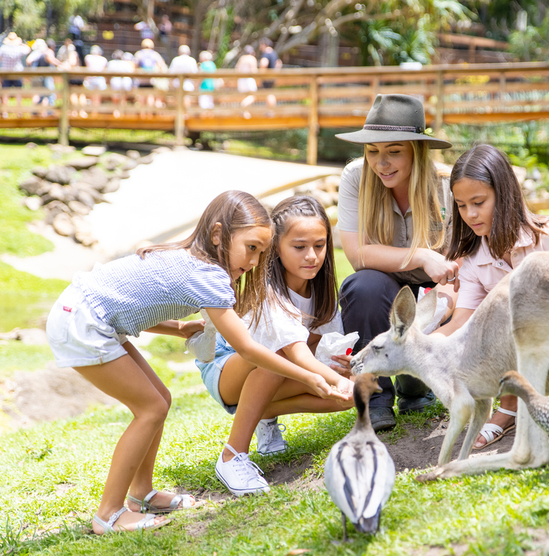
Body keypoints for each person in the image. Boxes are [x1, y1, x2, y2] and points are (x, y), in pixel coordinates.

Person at [45, 191, 348, 534]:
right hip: (82, 321)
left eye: (262, 252)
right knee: (150, 409)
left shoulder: (190, 256)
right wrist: (309, 377)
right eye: (251, 248)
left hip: (86, 311)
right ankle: (108, 515)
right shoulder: (211, 277)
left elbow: (131, 303)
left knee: (160, 401)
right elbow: (247, 349)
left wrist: (179, 328)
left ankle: (141, 494)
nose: (254, 261)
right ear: (218, 235)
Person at [193, 196, 355, 496]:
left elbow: (326, 350)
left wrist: (345, 373)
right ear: (276, 248)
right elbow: (294, 351)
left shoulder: (321, 293)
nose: (311, 256)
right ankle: (233, 455)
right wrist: (337, 380)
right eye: (299, 247)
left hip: (274, 373)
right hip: (227, 367)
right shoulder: (267, 290)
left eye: (319, 246)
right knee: (277, 355)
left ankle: (261, 412)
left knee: (346, 396)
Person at [436, 144, 549, 450]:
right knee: (494, 319)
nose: (471, 214)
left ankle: (516, 406)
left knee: (517, 304)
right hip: (530, 351)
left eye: (479, 202)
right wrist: (417, 343)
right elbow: (464, 320)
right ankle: (517, 403)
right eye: (462, 206)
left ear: (503, 195)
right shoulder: (475, 259)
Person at [335, 93, 457, 431]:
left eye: (393, 152)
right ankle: (376, 397)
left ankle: (416, 383)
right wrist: (420, 255)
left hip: (435, 291)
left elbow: (459, 267)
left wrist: (448, 302)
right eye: (373, 152)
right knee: (363, 286)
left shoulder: (447, 186)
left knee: (436, 305)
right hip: (385, 288)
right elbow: (357, 254)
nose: (381, 163)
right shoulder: (355, 178)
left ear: (416, 151)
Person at [0, 32, 30, 115]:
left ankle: (5, 112)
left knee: (5, 93)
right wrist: (21, 44)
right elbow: (28, 50)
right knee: (18, 93)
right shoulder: (18, 48)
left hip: (6, 73)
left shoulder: (3, 48)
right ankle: (19, 111)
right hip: (17, 73)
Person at [134, 38, 167, 114]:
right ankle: (149, 116)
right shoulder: (154, 54)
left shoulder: (139, 54)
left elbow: (134, 66)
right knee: (150, 98)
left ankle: (142, 117)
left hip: (141, 81)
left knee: (141, 99)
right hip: (151, 80)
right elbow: (162, 66)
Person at [27, 39, 61, 111]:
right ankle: (49, 112)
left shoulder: (40, 53)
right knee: (49, 94)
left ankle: (36, 112)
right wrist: (60, 64)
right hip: (44, 77)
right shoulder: (42, 52)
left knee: (41, 95)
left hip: (38, 77)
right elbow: (29, 60)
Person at [107, 50, 135, 117]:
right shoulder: (125, 63)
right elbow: (132, 72)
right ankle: (122, 113)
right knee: (123, 98)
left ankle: (116, 113)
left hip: (115, 82)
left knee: (115, 99)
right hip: (124, 82)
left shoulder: (111, 63)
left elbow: (107, 74)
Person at [257, 38, 281, 110]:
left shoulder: (266, 53)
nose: (260, 47)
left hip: (266, 77)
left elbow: (264, 63)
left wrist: (261, 74)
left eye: (261, 45)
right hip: (272, 77)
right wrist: (276, 73)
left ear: (264, 45)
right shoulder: (274, 53)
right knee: (270, 93)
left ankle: (270, 111)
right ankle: (271, 110)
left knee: (267, 94)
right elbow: (279, 63)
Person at [83, 45, 108, 116]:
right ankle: (95, 113)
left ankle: (94, 113)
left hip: (92, 79)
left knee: (92, 97)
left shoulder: (88, 58)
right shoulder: (103, 59)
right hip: (98, 79)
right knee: (97, 97)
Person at [234, 45, 257, 119]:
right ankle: (242, 106)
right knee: (253, 96)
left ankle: (245, 113)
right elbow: (254, 70)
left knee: (244, 96)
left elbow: (236, 69)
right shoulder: (251, 58)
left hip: (241, 80)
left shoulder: (241, 58)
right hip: (248, 79)